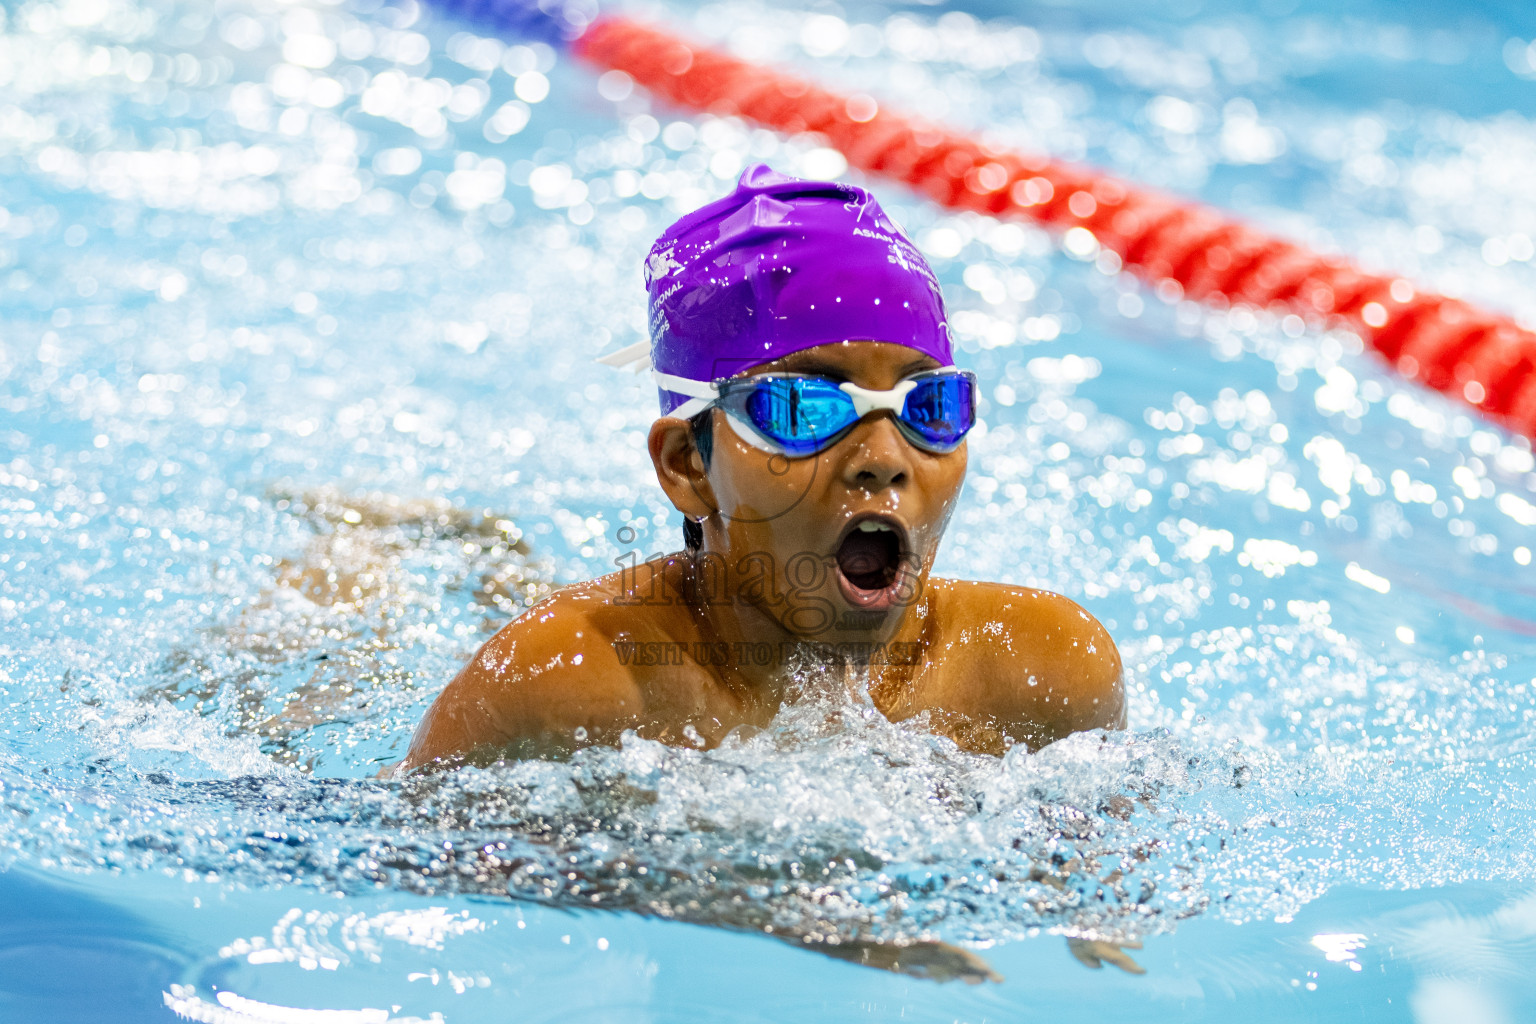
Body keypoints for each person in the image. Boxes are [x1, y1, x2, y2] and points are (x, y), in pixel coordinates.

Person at [401, 164, 1124, 771]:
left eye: (928, 404)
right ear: (687, 464)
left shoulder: (1043, 672)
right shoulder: (561, 687)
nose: (883, 460)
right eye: (804, 409)